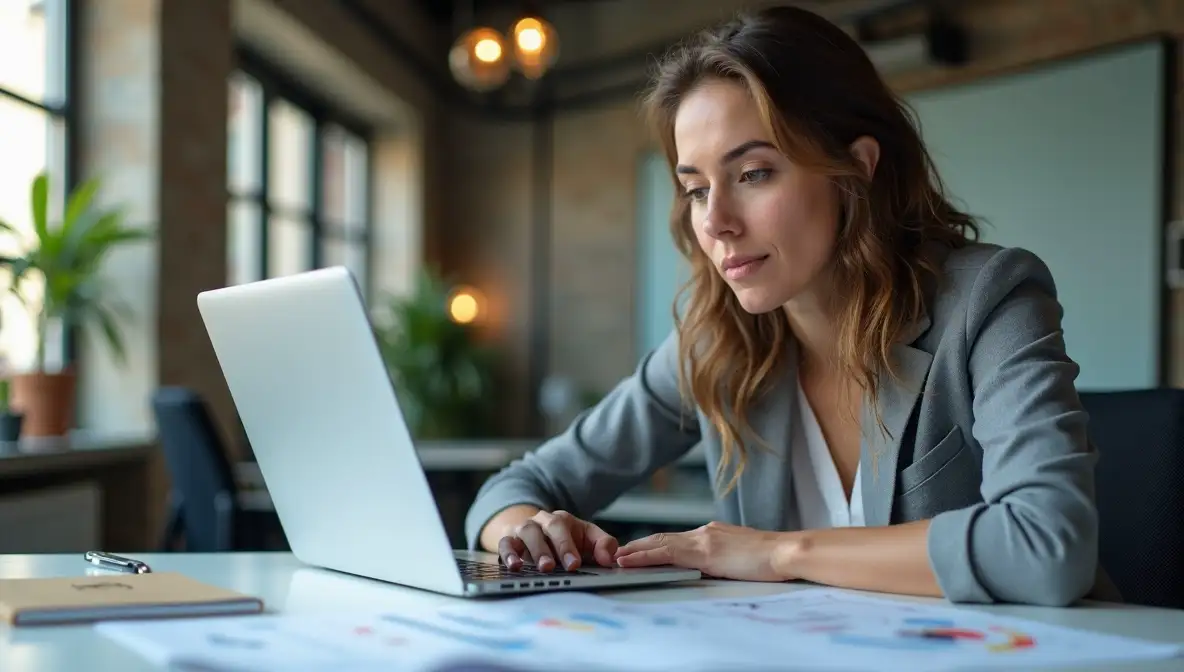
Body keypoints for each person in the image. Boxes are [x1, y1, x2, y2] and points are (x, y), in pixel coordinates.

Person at [464, 5, 1116, 607]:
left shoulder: (990, 298)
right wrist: (531, 533)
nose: (715, 222)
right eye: (696, 189)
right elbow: (510, 491)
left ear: (855, 169)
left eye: (753, 174)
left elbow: (1046, 546)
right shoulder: (716, 341)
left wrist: (776, 553)